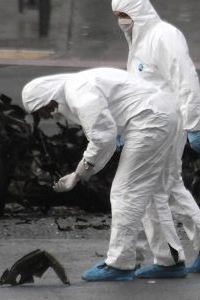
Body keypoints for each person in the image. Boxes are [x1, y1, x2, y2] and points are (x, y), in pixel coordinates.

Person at [111, 0, 200, 277]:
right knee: (168, 185)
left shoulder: (163, 36)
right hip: (154, 124)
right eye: (117, 16)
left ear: (138, 11)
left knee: (154, 189)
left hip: (165, 125)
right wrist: (124, 126)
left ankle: (169, 259)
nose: (121, 22)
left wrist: (194, 124)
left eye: (124, 15)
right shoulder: (139, 41)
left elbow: (185, 79)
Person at [22, 68, 187, 282]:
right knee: (150, 194)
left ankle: (120, 264)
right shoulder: (76, 86)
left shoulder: (79, 93)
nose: (44, 116)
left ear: (46, 99)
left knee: (125, 192)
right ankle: (169, 261)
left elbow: (102, 138)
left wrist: (78, 174)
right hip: (159, 115)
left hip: (150, 120)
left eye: (40, 110)